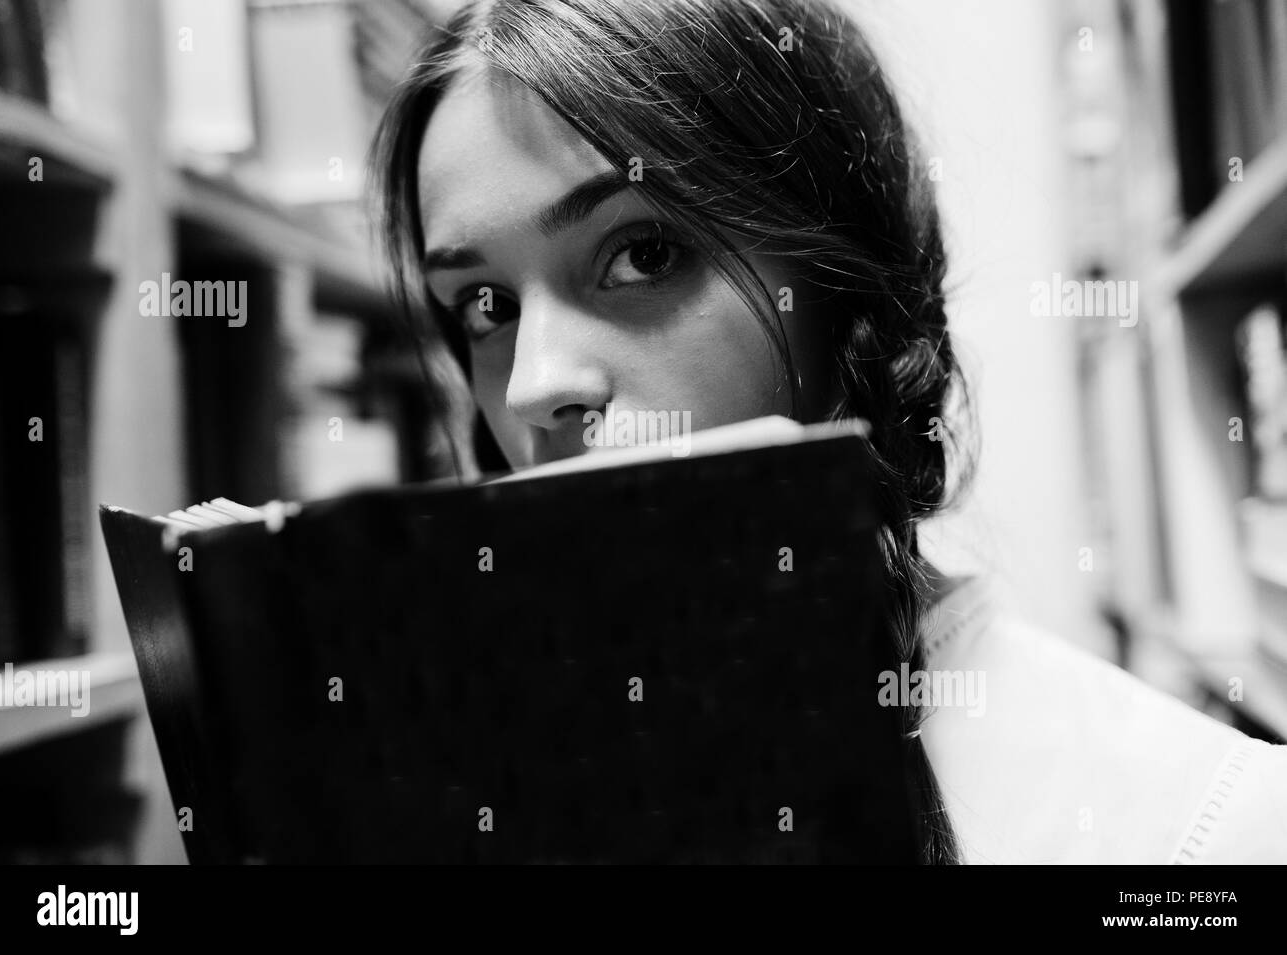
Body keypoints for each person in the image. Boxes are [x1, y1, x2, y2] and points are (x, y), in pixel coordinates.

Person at [371, 0, 1287, 863]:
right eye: (485, 305)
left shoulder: (1199, 832)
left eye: (644, 253)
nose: (535, 386)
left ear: (840, 297)